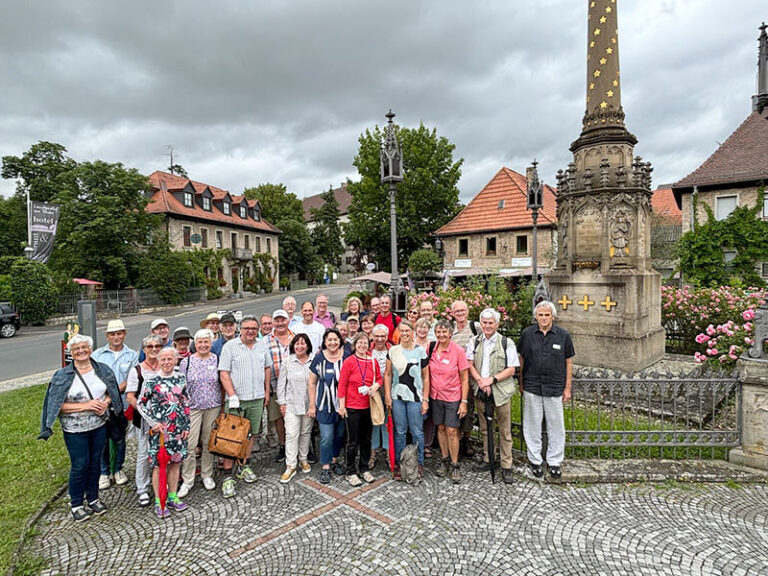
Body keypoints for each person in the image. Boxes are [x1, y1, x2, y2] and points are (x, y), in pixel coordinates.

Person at [39, 334, 123, 522]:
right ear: (71, 353)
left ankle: (93, 498)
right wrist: (85, 406)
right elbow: (56, 406)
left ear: (90, 349)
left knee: (94, 463)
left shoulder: (102, 370)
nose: (81, 351)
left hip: (99, 425)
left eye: (84, 347)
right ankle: (76, 504)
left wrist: (105, 402)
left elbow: (112, 393)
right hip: (74, 429)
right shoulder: (62, 376)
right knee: (79, 465)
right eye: (76, 349)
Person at [518, 300, 574, 480]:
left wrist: (567, 387)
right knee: (532, 425)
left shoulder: (563, 335)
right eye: (540, 315)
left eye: (547, 315)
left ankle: (554, 461)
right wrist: (521, 383)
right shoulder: (527, 334)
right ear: (536, 316)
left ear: (553, 317)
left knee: (556, 426)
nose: (543, 318)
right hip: (532, 385)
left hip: (555, 387)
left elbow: (568, 362)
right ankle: (535, 460)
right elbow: (522, 360)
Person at [218, 315, 272, 498]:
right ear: (240, 329)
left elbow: (267, 368)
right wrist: (231, 395)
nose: (250, 331)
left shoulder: (262, 345)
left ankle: (244, 466)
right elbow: (224, 373)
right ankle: (227, 475)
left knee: (250, 435)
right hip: (237, 400)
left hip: (256, 398)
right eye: (247, 328)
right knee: (230, 438)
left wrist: (266, 391)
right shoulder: (230, 347)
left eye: (254, 328)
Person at [466, 308, 520, 484]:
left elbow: (512, 368)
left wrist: (492, 380)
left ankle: (506, 465)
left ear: (497, 324)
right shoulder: (474, 342)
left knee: (504, 429)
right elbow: (470, 364)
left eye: (491, 323)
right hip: (481, 390)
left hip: (501, 391)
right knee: (485, 428)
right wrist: (481, 381)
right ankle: (489, 458)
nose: (487, 326)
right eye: (485, 322)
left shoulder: (506, 343)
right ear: (480, 324)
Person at [138, 347, 191, 517]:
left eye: (170, 359)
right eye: (163, 359)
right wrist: (153, 423)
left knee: (175, 463)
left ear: (175, 360)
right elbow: (140, 403)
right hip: (160, 431)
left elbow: (185, 402)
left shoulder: (181, 378)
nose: (167, 362)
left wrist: (186, 426)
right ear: (159, 361)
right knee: (159, 465)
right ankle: (159, 499)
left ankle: (173, 496)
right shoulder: (151, 381)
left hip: (177, 429)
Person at [92, 319, 138, 490]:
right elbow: (93, 378)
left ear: (124, 334)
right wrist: (105, 396)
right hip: (101, 404)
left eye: (119, 333)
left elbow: (131, 379)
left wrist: (113, 392)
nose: (116, 337)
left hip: (122, 403)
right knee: (102, 439)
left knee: (119, 438)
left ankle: (118, 469)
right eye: (113, 334)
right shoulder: (97, 355)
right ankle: (104, 472)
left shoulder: (131, 355)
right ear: (107, 336)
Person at [178, 329, 222, 497]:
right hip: (193, 407)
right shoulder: (187, 362)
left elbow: (221, 381)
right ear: (195, 344)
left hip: (213, 406)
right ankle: (188, 479)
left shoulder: (216, 359)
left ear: (211, 344)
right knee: (190, 444)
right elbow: (181, 387)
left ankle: (207, 474)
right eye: (200, 342)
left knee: (208, 442)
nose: (203, 345)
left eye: (206, 342)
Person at [384, 320, 429, 476]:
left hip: (415, 397)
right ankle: (400, 463)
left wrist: (425, 399)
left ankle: (419, 464)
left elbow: (426, 377)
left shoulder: (420, 351)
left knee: (417, 432)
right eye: (401, 331)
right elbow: (388, 374)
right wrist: (387, 396)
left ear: (413, 332)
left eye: (407, 331)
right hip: (397, 397)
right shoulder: (393, 351)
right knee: (400, 432)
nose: (404, 334)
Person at [428, 320, 469, 484]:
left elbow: (465, 378)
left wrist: (464, 401)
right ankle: (444, 460)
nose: (441, 335)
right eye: (438, 332)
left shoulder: (458, 351)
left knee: (452, 430)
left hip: (452, 396)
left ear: (450, 333)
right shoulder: (431, 348)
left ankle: (455, 463)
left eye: (444, 332)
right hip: (435, 396)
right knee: (441, 428)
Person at [126, 334, 164, 507]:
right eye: (150, 347)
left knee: (163, 452)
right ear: (144, 350)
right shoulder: (137, 370)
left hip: (165, 418)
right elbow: (130, 397)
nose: (154, 349)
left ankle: (163, 483)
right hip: (144, 419)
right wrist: (144, 412)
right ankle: (142, 489)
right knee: (144, 453)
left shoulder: (166, 366)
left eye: (157, 346)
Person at [338, 332, 381, 486]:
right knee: (353, 440)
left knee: (366, 439)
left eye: (365, 343)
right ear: (354, 345)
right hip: (352, 406)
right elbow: (342, 384)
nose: (363, 345)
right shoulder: (349, 361)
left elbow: (379, 378)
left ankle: (363, 468)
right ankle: (350, 470)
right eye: (360, 343)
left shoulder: (372, 361)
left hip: (368, 406)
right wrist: (342, 406)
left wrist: (376, 385)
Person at [308, 328, 346, 484]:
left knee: (339, 435)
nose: (332, 342)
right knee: (326, 437)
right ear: (324, 342)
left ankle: (335, 460)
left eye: (335, 339)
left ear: (340, 341)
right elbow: (311, 382)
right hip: (324, 405)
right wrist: (312, 405)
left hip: (342, 406)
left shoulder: (347, 357)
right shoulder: (319, 359)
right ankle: (325, 466)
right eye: (329, 340)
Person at [277, 333, 314, 483]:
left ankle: (303, 459)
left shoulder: (313, 361)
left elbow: (316, 383)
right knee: (291, 434)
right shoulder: (287, 362)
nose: (300, 346)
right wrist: (282, 403)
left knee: (305, 432)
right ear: (293, 346)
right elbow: (281, 384)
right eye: (297, 343)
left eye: (303, 343)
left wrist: (314, 404)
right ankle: (290, 465)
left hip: (308, 404)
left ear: (308, 345)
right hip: (291, 404)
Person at [450, 300, 478, 458]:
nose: (460, 313)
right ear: (452, 313)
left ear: (467, 311)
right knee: (454, 409)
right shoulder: (451, 329)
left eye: (462, 310)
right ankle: (457, 440)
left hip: (469, 376)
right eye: (457, 311)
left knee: (468, 408)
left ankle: (467, 439)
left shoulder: (475, 327)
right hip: (453, 378)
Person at [264, 309, 293, 462]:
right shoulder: (265, 341)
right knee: (278, 419)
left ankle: (298, 447)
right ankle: (283, 445)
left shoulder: (296, 338)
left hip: (295, 388)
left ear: (288, 321)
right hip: (275, 387)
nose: (280, 323)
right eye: (277, 320)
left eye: (283, 320)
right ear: (273, 322)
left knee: (295, 417)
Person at [369, 324, 391, 469]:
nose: (380, 339)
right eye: (377, 336)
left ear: (387, 337)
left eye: (383, 336)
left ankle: (390, 456)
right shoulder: (368, 352)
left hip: (388, 390)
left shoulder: (393, 351)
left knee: (387, 424)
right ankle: (372, 455)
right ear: (372, 336)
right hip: (373, 391)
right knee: (373, 424)